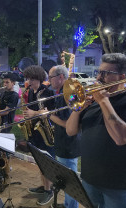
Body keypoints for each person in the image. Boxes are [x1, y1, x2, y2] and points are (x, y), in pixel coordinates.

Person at [66, 53, 126, 208]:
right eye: (99, 72)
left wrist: (103, 100)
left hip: (116, 183)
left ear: (121, 76)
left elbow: (121, 138)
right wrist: (78, 109)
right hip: (89, 177)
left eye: (106, 73)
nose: (99, 77)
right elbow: (70, 131)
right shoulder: (92, 102)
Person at [42, 65, 80, 208]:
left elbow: (69, 124)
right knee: (65, 179)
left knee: (70, 182)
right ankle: (67, 204)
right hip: (63, 143)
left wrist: (50, 116)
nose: (48, 80)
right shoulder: (62, 93)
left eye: (50, 77)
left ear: (61, 77)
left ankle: (71, 206)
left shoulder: (69, 95)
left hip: (68, 144)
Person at [22, 65, 55, 206]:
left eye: (32, 79)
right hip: (35, 131)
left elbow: (51, 112)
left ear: (39, 78)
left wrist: (33, 114)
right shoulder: (30, 91)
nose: (29, 82)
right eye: (28, 79)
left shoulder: (46, 92)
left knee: (46, 162)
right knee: (40, 162)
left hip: (45, 133)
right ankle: (44, 187)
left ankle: (49, 191)